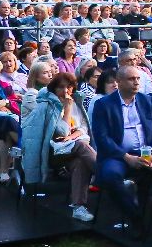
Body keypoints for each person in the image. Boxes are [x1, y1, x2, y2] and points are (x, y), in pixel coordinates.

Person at [89, 63, 152, 222]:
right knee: (111, 175)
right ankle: (136, 217)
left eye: (138, 78)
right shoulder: (103, 104)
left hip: (146, 153)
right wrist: (126, 157)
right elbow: (102, 138)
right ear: (119, 82)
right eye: (131, 79)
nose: (136, 82)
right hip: (117, 155)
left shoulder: (147, 101)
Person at [20, 70, 99, 220]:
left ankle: (78, 207)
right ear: (53, 88)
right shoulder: (47, 105)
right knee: (81, 146)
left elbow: (83, 127)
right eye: (60, 87)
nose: (65, 91)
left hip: (72, 148)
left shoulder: (76, 102)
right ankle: (105, 175)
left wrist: (72, 135)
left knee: (80, 162)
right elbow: (62, 133)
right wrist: (67, 109)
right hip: (51, 152)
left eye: (69, 87)